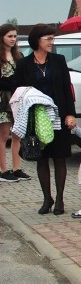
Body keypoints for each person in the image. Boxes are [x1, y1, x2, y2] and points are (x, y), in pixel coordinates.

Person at [13, 25, 76, 215]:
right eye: (48, 39)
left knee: (59, 157)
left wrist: (70, 114)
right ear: (37, 40)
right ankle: (46, 198)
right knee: (42, 158)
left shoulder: (58, 60)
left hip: (58, 114)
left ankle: (60, 200)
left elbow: (67, 88)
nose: (51, 42)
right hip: (36, 118)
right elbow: (18, 90)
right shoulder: (24, 64)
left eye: (52, 38)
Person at [0, 23, 28, 182]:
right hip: (3, 100)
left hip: (17, 99)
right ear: (2, 37)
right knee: (3, 135)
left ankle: (16, 168)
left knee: (18, 133)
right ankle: (3, 170)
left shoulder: (19, 56)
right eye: (9, 36)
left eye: (14, 36)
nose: (13, 39)